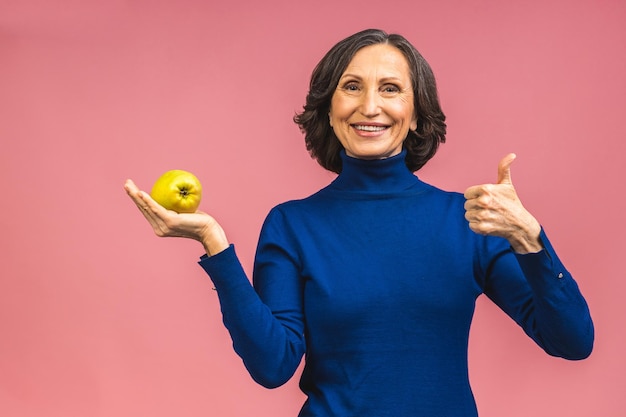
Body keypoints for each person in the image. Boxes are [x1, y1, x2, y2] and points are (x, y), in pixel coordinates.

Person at [124, 29, 594, 416]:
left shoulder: (467, 222)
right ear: (329, 109)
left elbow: (572, 341)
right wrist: (215, 245)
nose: (369, 106)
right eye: (352, 87)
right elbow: (272, 367)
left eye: (390, 89)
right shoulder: (293, 225)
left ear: (415, 114)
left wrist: (529, 239)